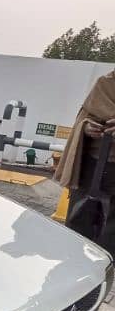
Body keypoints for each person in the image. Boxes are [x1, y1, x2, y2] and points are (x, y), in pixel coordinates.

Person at [55, 71, 115, 252]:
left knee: (110, 237)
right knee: (79, 226)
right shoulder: (105, 83)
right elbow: (84, 116)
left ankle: (105, 272)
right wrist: (87, 127)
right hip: (92, 168)